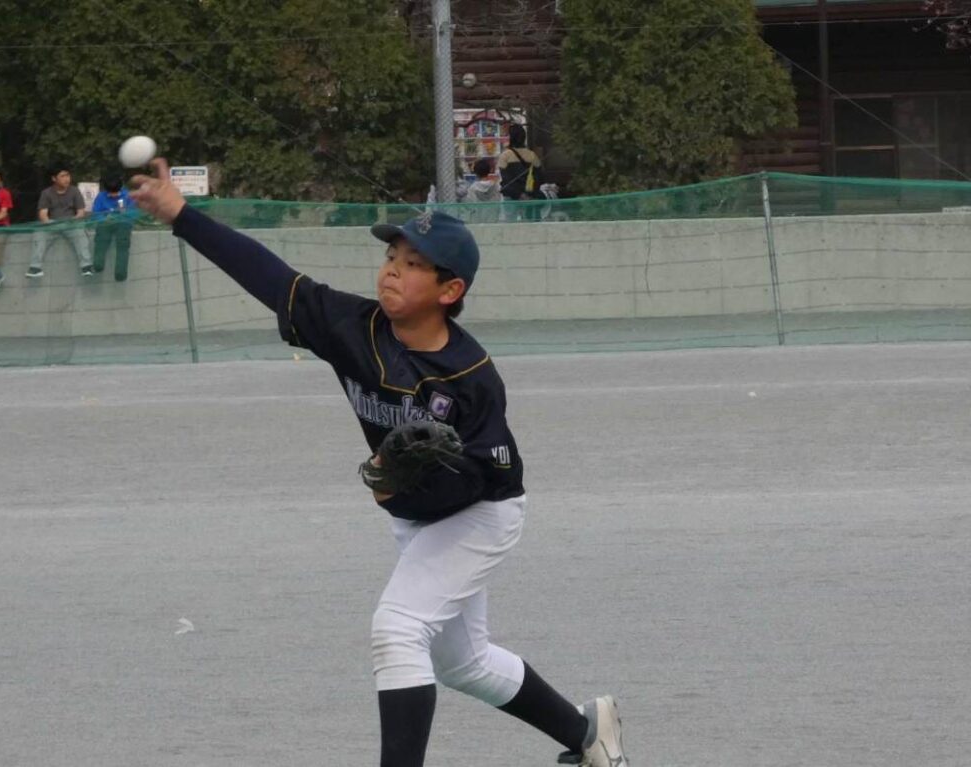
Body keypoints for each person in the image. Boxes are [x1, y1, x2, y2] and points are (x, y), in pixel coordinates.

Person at [130, 158, 628, 767]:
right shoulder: (351, 326)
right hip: (419, 518)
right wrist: (180, 214)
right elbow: (268, 276)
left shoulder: (472, 377)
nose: (393, 268)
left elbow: (491, 476)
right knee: (464, 664)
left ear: (449, 292)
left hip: (481, 515)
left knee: (397, 629)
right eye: (392, 255)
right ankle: (588, 734)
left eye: (414, 264)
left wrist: (407, 488)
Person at [27, 163, 93, 279]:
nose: (66, 179)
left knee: (80, 233)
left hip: (71, 223)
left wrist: (74, 220)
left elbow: (81, 212)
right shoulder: (46, 193)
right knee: (39, 234)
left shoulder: (74, 191)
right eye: (62, 176)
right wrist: (49, 223)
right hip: (52, 223)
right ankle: (35, 268)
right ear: (54, 178)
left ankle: (86, 266)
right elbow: (43, 214)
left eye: (68, 175)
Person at [91, 174, 136, 282]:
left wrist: (125, 214)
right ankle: (98, 265)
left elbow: (133, 213)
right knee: (101, 240)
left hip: (123, 223)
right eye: (111, 193)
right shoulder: (101, 196)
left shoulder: (128, 195)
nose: (114, 195)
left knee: (123, 244)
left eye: (116, 192)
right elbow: (96, 213)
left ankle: (120, 274)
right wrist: (104, 218)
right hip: (105, 223)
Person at [497, 124, 544, 203]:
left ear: (511, 138)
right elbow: (540, 177)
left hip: (511, 198)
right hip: (530, 197)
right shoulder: (532, 155)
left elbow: (505, 180)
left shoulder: (505, 156)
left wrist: (519, 195)